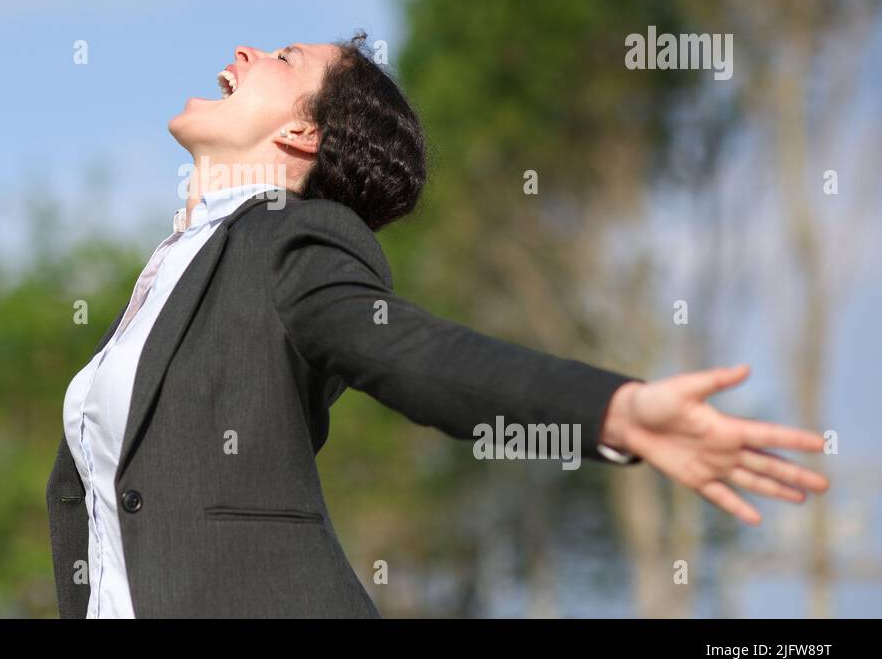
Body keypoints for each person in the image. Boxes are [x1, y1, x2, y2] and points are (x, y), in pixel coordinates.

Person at [45, 31, 830, 618]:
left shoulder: (291, 239)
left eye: (283, 57)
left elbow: (413, 353)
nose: (246, 50)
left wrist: (612, 412)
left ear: (302, 134)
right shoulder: (171, 273)